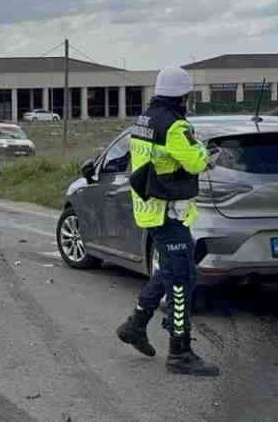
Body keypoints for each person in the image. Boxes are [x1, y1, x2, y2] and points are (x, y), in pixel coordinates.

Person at [116, 67, 220, 377]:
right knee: (182, 279)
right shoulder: (175, 126)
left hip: (151, 207)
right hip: (168, 210)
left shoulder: (145, 119)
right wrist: (208, 154)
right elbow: (196, 162)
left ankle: (135, 325)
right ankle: (180, 351)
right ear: (183, 96)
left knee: (171, 270)